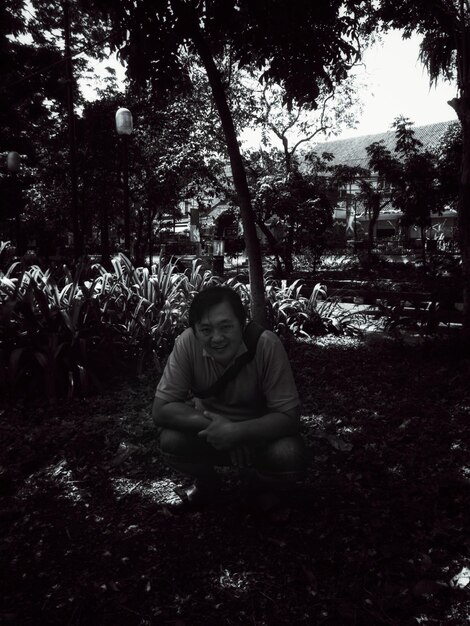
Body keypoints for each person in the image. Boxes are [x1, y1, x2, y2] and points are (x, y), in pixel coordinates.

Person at [152, 285, 305, 513]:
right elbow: (161, 409)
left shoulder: (267, 345)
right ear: (194, 330)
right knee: (171, 442)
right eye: (205, 329)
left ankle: (261, 485)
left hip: (260, 436)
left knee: (288, 454)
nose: (217, 338)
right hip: (210, 434)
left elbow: (289, 418)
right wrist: (220, 429)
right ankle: (208, 483)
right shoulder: (186, 343)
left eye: (226, 327)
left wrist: (238, 433)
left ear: (242, 325)